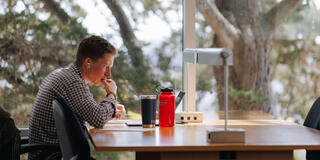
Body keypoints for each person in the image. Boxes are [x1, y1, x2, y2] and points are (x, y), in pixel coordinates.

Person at [28, 35, 125, 160]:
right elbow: (98, 119)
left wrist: (111, 111)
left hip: (55, 154)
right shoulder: (72, 82)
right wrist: (112, 94)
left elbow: (91, 114)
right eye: (106, 66)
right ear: (88, 62)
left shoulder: (67, 75)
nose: (108, 73)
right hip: (54, 156)